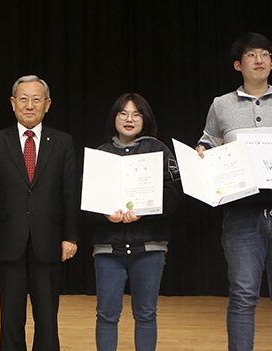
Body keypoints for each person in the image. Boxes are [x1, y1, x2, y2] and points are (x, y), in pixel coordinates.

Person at [196, 32, 272, 351]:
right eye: (251, 55)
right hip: (241, 214)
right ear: (238, 65)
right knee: (243, 296)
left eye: (265, 54)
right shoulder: (221, 104)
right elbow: (208, 141)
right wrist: (201, 150)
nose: (259, 59)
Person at [0, 75, 79, 351]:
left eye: (37, 99)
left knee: (47, 317)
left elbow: (70, 193)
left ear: (48, 104)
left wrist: (70, 237)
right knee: (10, 316)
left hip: (48, 241)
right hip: (8, 239)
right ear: (13, 103)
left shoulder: (63, 142)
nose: (29, 105)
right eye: (23, 99)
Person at [90, 93, 181, 351]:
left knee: (146, 314)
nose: (129, 119)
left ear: (145, 119)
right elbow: (88, 198)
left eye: (136, 114)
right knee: (106, 315)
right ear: (114, 118)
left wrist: (145, 209)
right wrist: (104, 213)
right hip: (108, 248)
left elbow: (174, 194)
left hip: (149, 246)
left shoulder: (158, 150)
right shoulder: (101, 153)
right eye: (123, 113)